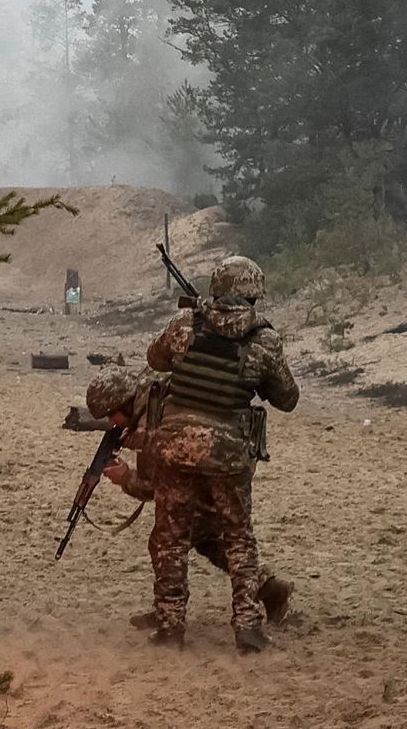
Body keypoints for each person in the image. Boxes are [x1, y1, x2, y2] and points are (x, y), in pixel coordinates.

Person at [143, 255, 298, 653]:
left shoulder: (184, 324)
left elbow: (155, 358)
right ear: (254, 294)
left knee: (171, 538)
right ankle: (247, 628)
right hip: (227, 452)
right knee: (238, 538)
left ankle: (170, 628)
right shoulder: (264, 339)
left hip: (174, 445)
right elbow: (287, 398)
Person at [82, 367, 294, 632]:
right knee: (204, 535)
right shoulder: (157, 392)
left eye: (111, 415)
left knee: (166, 539)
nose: (112, 423)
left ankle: (170, 614)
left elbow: (155, 487)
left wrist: (125, 477)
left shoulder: (152, 417)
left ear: (123, 402)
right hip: (233, 456)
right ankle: (269, 589)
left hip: (213, 467)